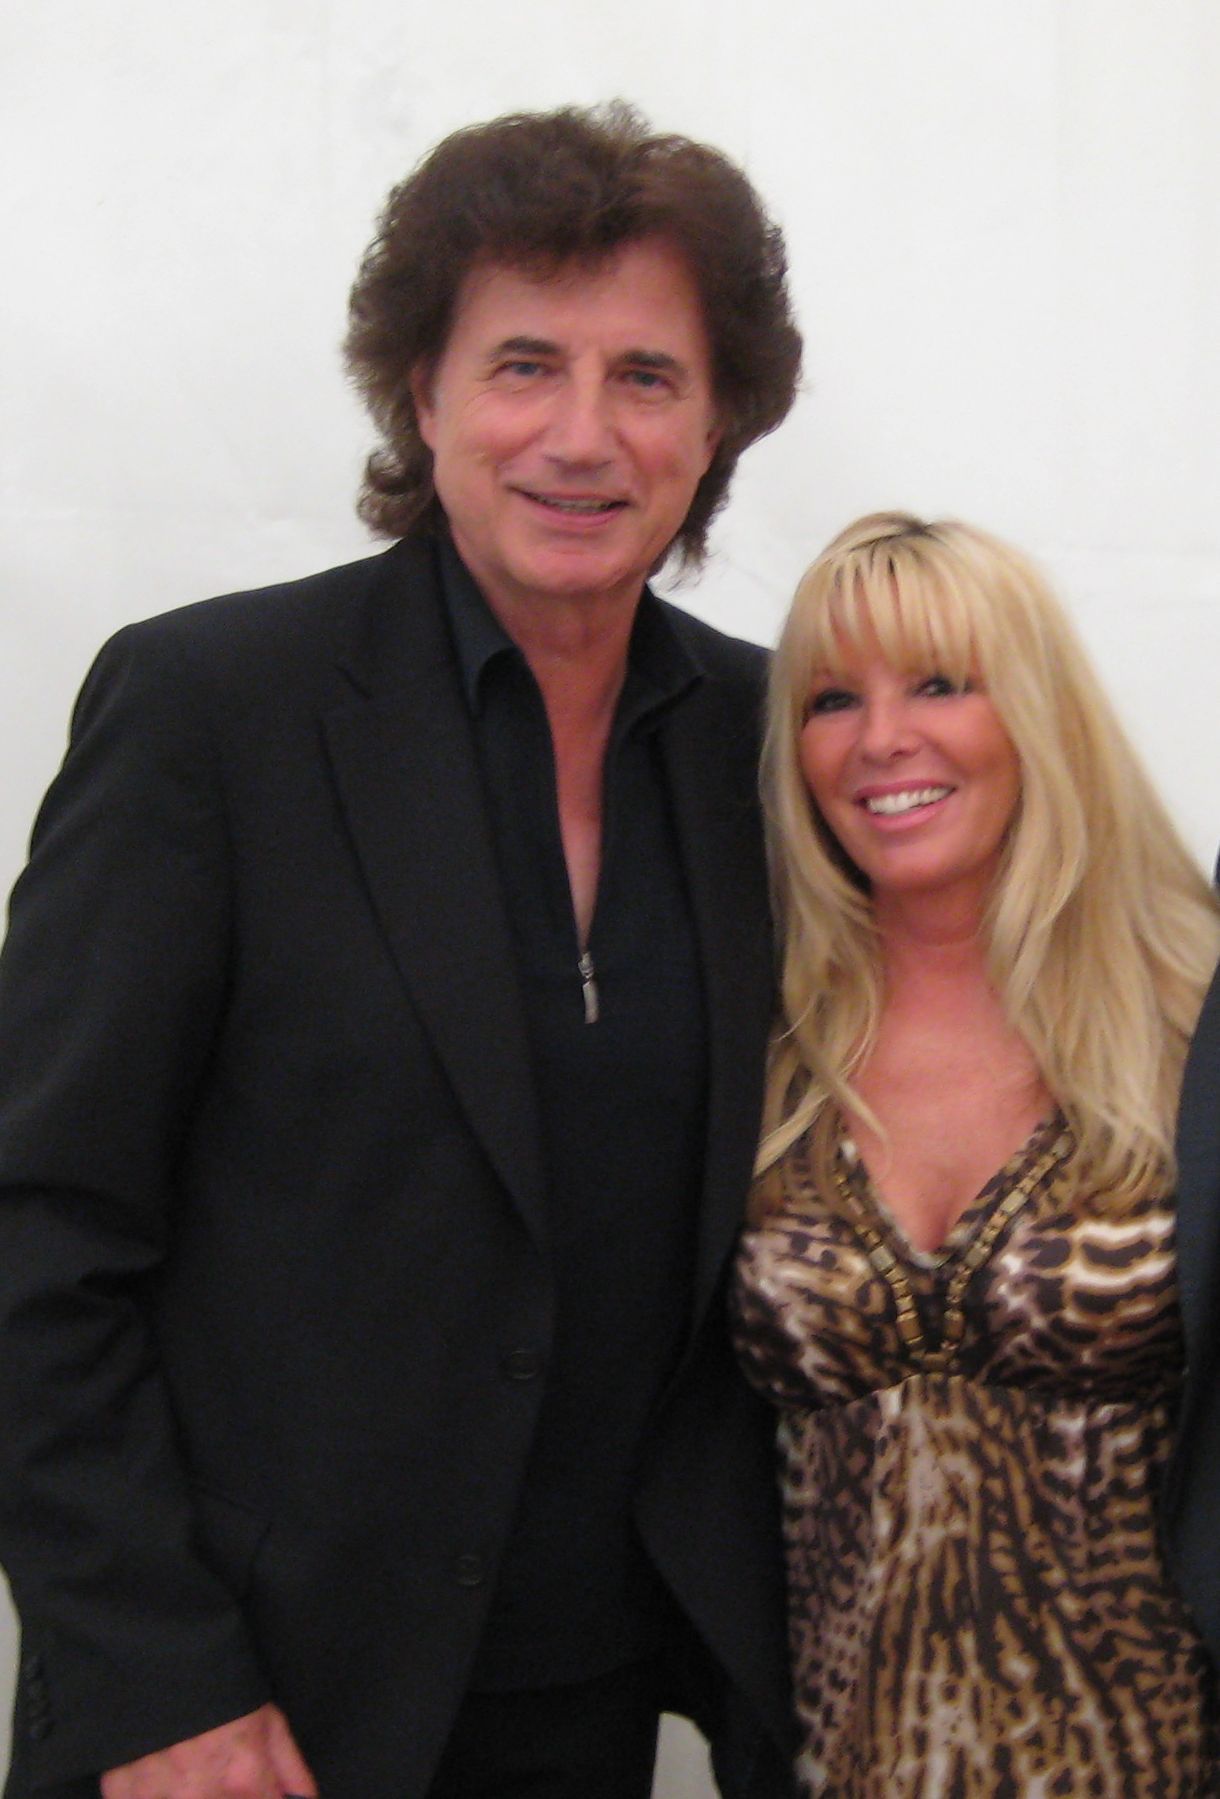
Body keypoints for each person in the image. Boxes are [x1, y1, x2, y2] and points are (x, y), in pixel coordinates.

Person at [0, 103, 803, 1799]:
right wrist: (153, 1675)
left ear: (718, 415)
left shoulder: (765, 740)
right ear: (420, 394)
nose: (581, 434)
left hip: (593, 1702)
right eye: (524, 365)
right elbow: (37, 1225)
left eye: (646, 375)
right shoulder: (214, 712)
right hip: (246, 1710)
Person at [731, 511, 1220, 1795]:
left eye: (939, 682)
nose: (881, 738)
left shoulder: (1194, 1020)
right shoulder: (754, 1043)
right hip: (837, 1765)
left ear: (1038, 713)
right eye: (832, 698)